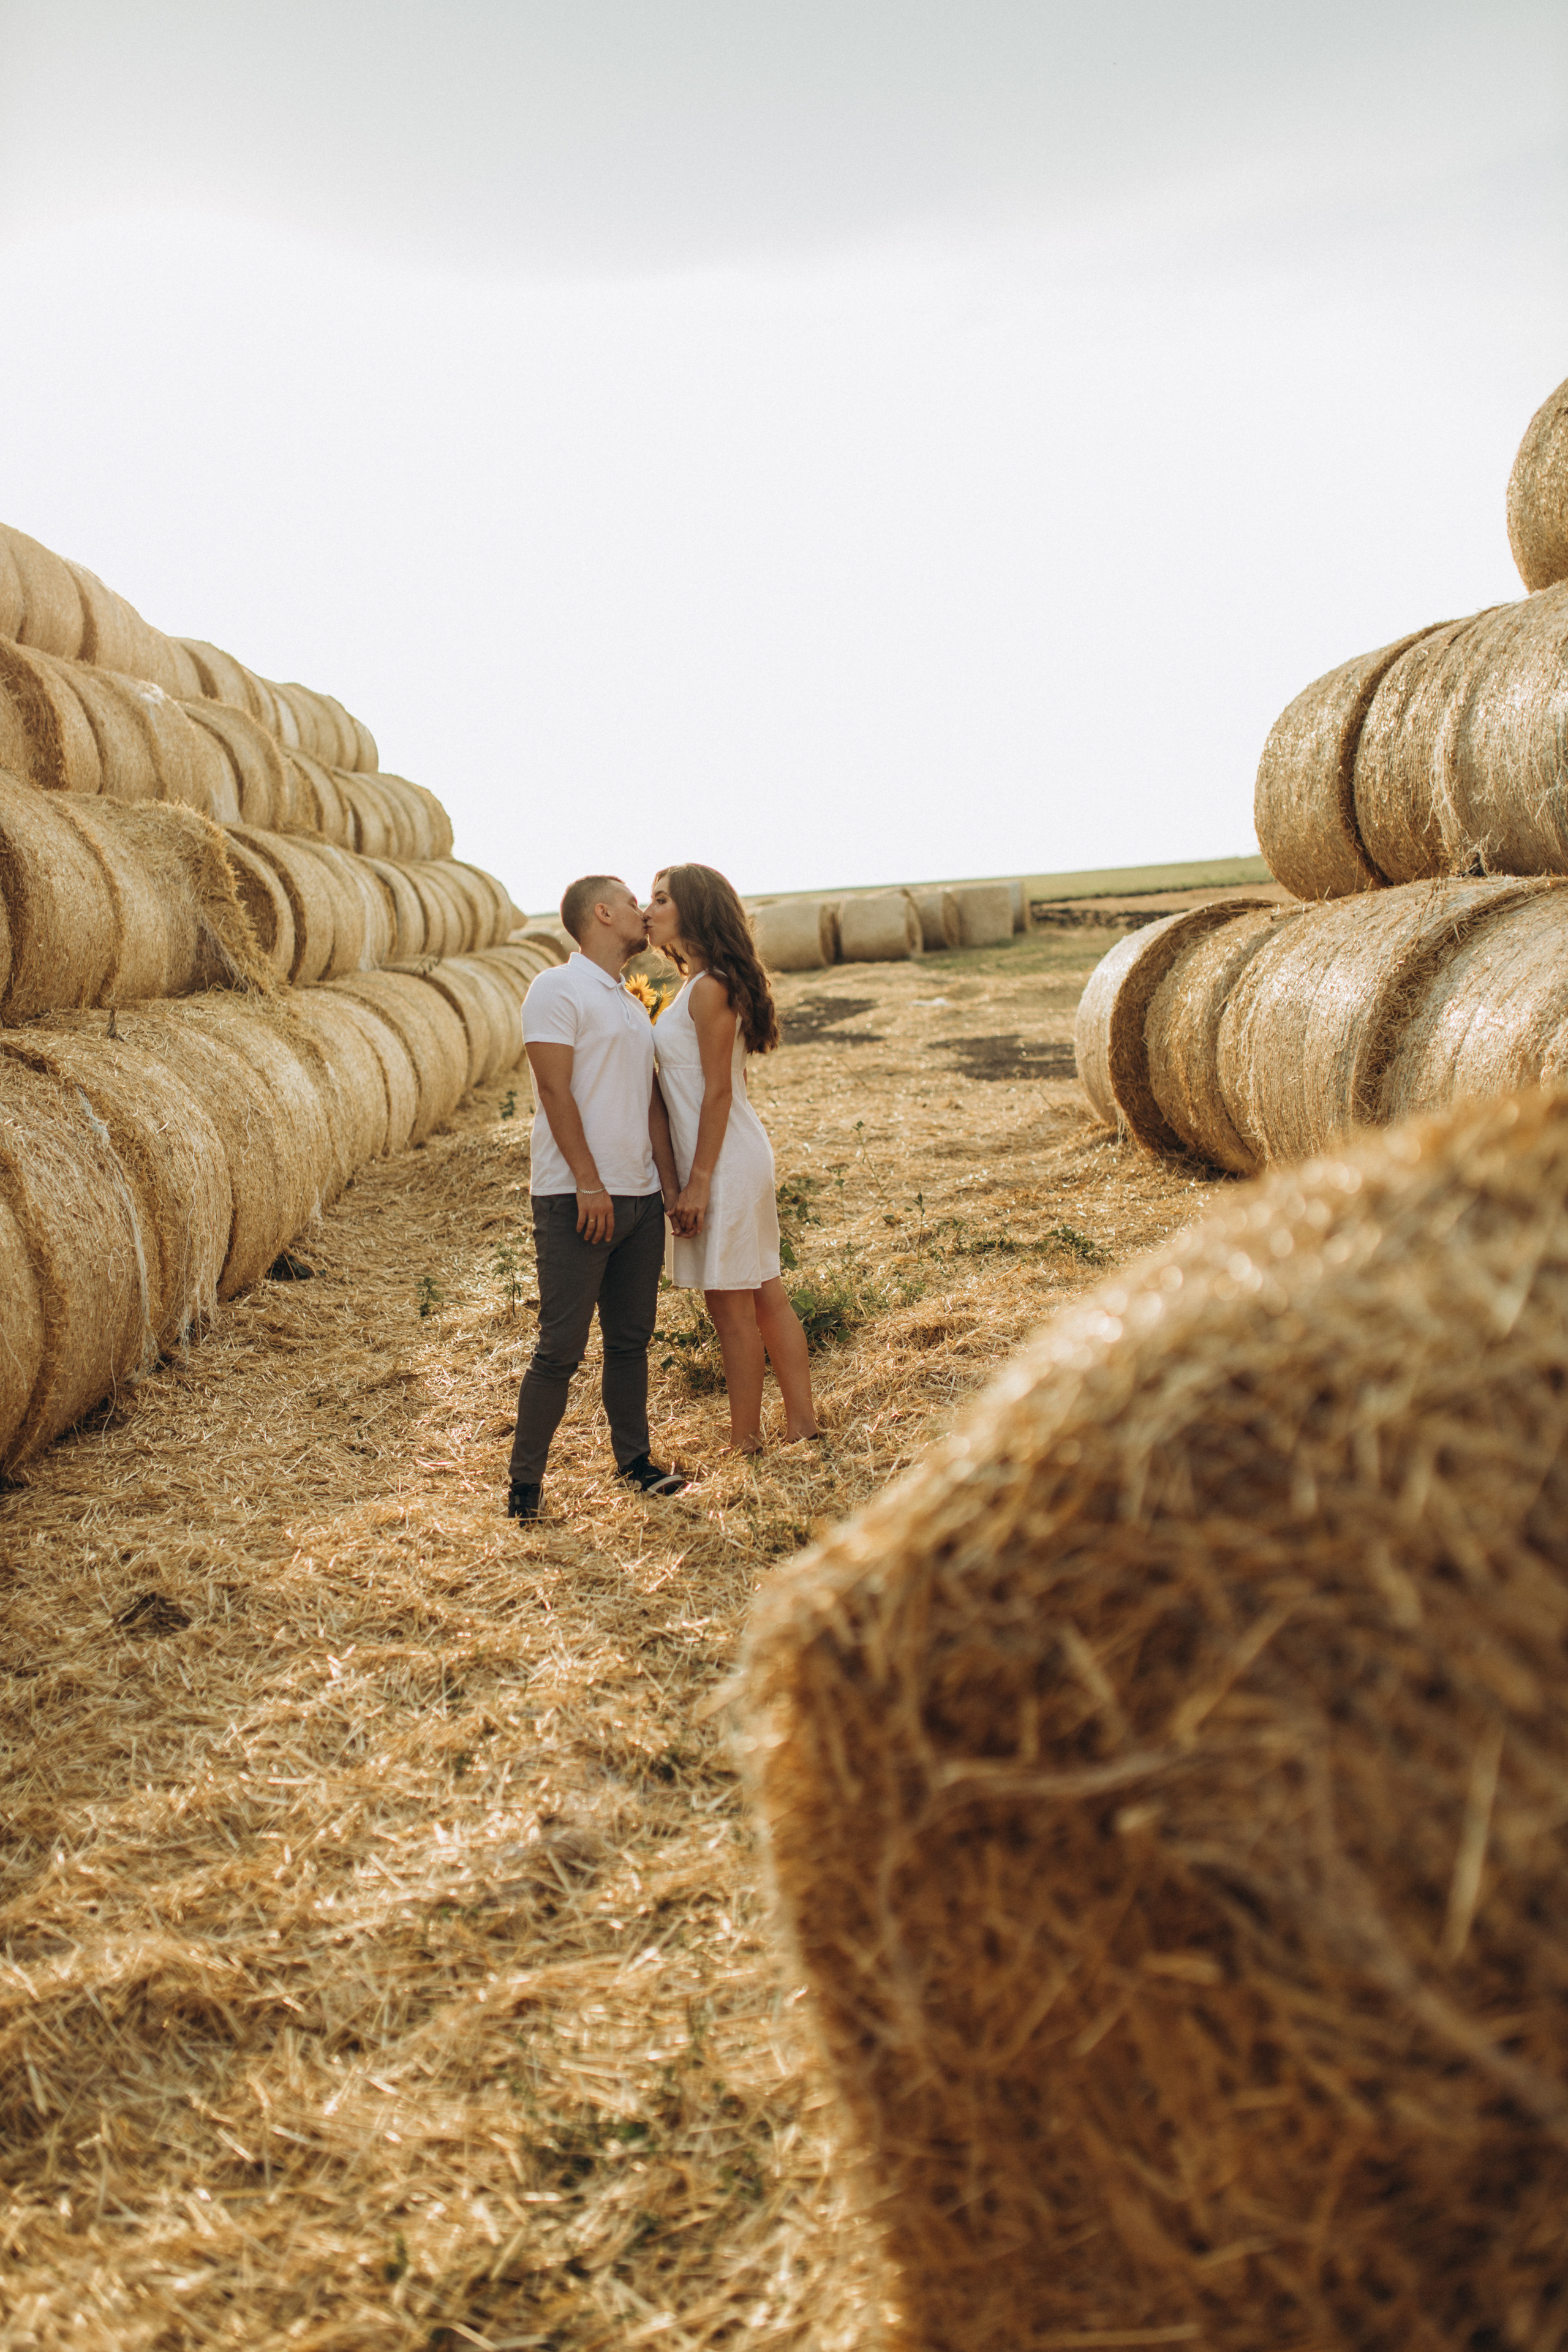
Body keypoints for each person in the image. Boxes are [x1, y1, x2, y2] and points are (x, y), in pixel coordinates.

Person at [506, 873, 688, 1522]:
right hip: (574, 1196)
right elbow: (554, 1091)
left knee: (631, 1341)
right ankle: (525, 1487)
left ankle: (634, 1464)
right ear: (603, 914)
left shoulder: (631, 1002)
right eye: (634, 902)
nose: (645, 910)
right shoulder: (556, 988)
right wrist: (588, 1181)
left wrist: (666, 1189)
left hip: (638, 1199)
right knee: (560, 1348)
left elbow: (648, 1105)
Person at [646, 862, 821, 1452]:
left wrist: (697, 1182)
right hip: (724, 1154)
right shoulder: (697, 985)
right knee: (765, 1291)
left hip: (722, 1161)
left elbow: (720, 1089)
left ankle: (746, 1442)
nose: (650, 910)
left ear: (693, 910)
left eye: (662, 899)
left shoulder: (712, 988)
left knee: (735, 1308)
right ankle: (801, 1425)